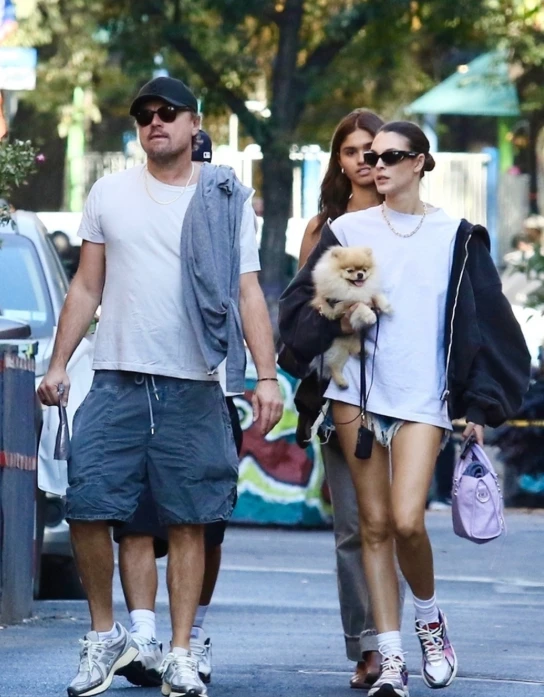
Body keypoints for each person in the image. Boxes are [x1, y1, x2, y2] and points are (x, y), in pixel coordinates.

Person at [38, 76, 283, 697]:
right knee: (87, 503)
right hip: (116, 377)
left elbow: (247, 291)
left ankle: (179, 652)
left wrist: (266, 375)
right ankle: (105, 636)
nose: (156, 121)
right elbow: (87, 285)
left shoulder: (225, 198)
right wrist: (59, 363)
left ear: (194, 123)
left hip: (194, 381)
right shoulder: (109, 193)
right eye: (145, 114)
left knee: (190, 519)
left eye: (168, 112)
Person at [278, 120, 530, 697]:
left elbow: (492, 328)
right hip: (357, 396)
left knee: (407, 521)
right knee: (372, 526)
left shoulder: (456, 237)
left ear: (419, 162)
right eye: (372, 156)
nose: (378, 165)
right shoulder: (347, 230)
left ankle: (430, 620)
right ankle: (391, 660)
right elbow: (298, 313)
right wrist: (336, 311)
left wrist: (478, 404)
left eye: (391, 156)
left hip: (424, 398)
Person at [112, 128, 244, 690]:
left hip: (212, 390)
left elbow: (249, 292)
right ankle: (144, 638)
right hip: (141, 385)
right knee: (137, 519)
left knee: (204, 527)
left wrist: (261, 376)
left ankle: (195, 635)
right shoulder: (134, 203)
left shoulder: (229, 211)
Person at [292, 109, 404, 690]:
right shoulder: (324, 228)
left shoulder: (407, 222)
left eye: (373, 150)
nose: (364, 159)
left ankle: (395, 639)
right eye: (353, 150)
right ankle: (368, 644)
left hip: (404, 394)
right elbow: (299, 315)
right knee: (354, 527)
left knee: (398, 522)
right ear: (339, 160)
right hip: (341, 388)